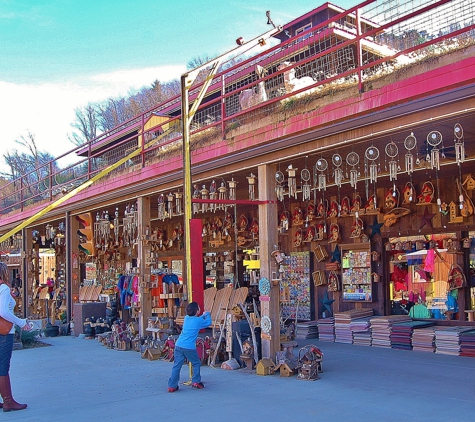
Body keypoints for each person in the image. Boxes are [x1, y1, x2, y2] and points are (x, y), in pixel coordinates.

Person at [0, 262, 30, 412]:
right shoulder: (4, 288)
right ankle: (8, 401)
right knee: (3, 366)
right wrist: (20, 322)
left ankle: (5, 399)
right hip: (5, 332)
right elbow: (4, 311)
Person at [167, 302, 211, 392]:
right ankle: (196, 381)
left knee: (177, 366)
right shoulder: (198, 321)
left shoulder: (187, 318)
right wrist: (207, 314)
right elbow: (208, 322)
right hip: (189, 347)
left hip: (178, 345)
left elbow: (197, 320)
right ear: (197, 311)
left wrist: (202, 316)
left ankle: (172, 386)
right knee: (196, 363)